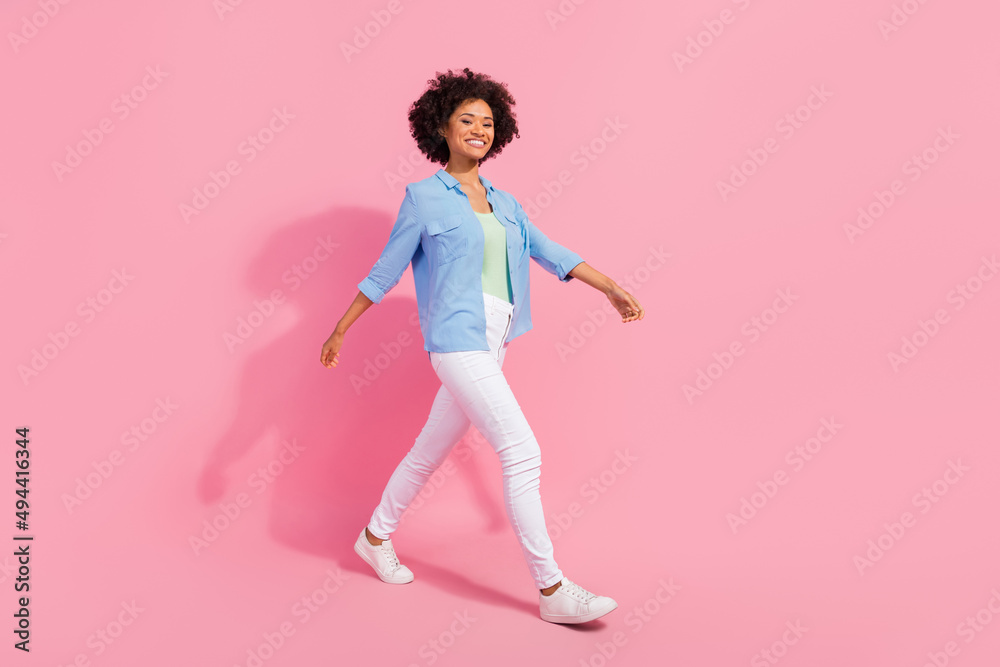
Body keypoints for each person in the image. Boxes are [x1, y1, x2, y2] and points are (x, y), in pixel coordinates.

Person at [320, 67, 644, 624]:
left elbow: (550, 251)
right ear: (442, 128)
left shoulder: (506, 203)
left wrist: (611, 287)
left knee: (427, 452)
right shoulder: (424, 199)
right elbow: (385, 270)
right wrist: (341, 328)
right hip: (456, 342)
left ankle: (374, 537)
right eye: (467, 120)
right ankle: (552, 590)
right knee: (522, 451)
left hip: (496, 341)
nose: (479, 129)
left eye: (488, 122)